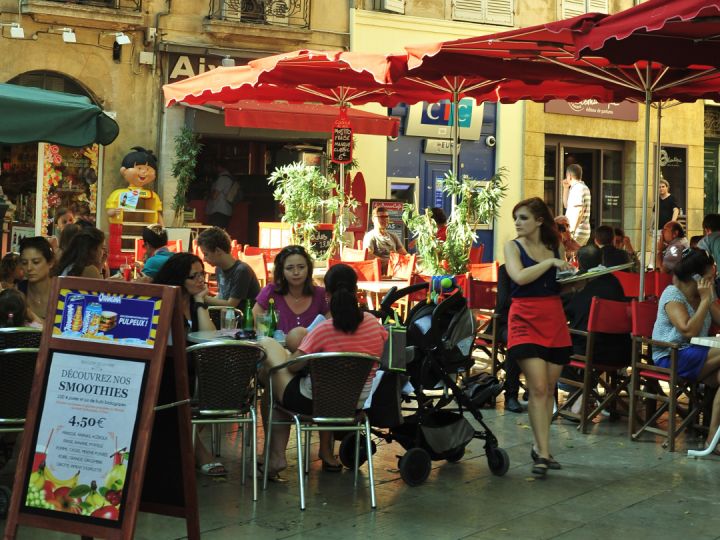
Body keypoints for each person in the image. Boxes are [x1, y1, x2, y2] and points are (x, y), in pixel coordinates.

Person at [258, 263, 387, 479]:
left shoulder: (324, 329)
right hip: (356, 403)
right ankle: (282, 456)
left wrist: (293, 355)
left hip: (312, 402)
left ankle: (276, 457)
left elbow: (294, 366)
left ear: (327, 294)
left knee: (269, 353)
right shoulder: (375, 324)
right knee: (274, 389)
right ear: (357, 291)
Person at [504, 197, 572, 477]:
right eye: (516, 218)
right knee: (539, 387)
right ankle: (543, 454)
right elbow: (519, 277)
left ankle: (539, 444)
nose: (518, 223)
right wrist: (552, 263)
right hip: (524, 317)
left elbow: (560, 286)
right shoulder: (513, 246)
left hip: (554, 317)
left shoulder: (555, 246)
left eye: (523, 218)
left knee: (548, 389)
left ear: (539, 221)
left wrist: (577, 282)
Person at [153, 253, 225, 475]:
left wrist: (201, 302)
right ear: (178, 279)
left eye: (202, 274)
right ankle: (197, 451)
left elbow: (208, 337)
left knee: (227, 386)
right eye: (194, 276)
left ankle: (188, 445)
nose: (201, 280)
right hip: (168, 370)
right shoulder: (165, 301)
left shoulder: (195, 303)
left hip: (194, 368)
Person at [651, 248, 720, 455]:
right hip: (672, 355)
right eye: (710, 276)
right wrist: (705, 301)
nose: (713, 280)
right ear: (697, 277)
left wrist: (708, 298)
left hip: (699, 354)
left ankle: (712, 439)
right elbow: (688, 330)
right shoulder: (672, 294)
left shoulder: (705, 293)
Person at [561, 245, 631, 416]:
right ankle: (583, 395)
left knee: (554, 348)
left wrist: (573, 289)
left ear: (579, 263)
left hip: (591, 350)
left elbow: (566, 311)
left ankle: (578, 394)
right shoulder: (615, 282)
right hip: (622, 351)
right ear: (601, 260)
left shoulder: (585, 287)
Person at [252, 245, 329, 336]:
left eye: (301, 267)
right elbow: (254, 325)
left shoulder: (321, 294)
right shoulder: (270, 292)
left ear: (309, 269)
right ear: (282, 271)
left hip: (314, 349)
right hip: (275, 348)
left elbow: (330, 329)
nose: (296, 272)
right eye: (289, 268)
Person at [196, 226, 260, 308]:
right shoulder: (218, 269)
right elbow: (222, 297)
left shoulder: (242, 271)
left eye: (206, 254)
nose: (204, 259)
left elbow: (231, 305)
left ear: (218, 251)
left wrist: (202, 297)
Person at [18, 236, 54, 322]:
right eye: (24, 263)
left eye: (36, 262)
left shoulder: (63, 293)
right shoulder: (17, 292)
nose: (29, 268)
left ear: (50, 263)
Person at [363, 206, 407, 273]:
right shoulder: (370, 236)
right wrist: (389, 262)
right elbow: (368, 255)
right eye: (381, 217)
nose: (385, 219)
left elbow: (404, 254)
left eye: (387, 217)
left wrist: (410, 259)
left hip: (397, 269)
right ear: (373, 219)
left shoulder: (393, 236)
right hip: (382, 272)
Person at [562, 163, 591, 247]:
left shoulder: (578, 188)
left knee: (569, 255)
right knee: (576, 257)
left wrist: (571, 231)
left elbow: (579, 210)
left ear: (569, 176)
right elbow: (566, 205)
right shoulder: (581, 187)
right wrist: (566, 188)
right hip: (583, 230)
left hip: (577, 231)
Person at [205, 162, 234, 229]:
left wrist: (208, 195)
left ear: (220, 167)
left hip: (219, 211)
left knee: (215, 233)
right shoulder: (230, 178)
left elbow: (215, 196)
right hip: (226, 210)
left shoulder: (222, 179)